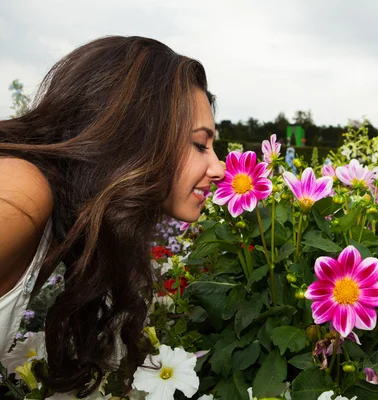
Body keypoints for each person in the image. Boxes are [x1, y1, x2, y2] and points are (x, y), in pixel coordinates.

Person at [0, 36, 225, 396]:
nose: (219, 168)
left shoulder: (59, 214)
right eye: (200, 144)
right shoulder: (20, 192)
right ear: (139, 135)